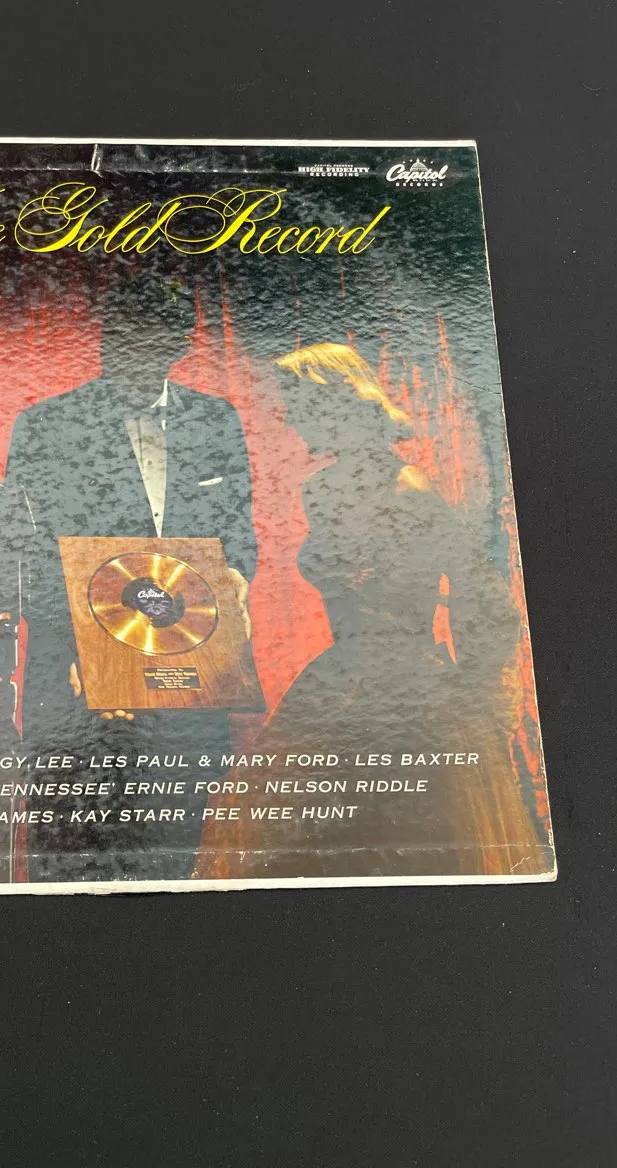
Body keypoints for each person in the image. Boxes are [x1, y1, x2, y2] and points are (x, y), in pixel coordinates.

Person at [243, 341, 551, 879]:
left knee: (414, 836)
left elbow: (482, 592)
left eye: (296, 404)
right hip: (340, 679)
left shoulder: (409, 489)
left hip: (411, 689)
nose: (288, 418)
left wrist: (478, 691)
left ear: (333, 406)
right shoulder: (320, 489)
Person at [0, 269, 258, 882]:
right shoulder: (47, 424)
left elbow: (238, 535)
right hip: (78, 683)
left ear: (177, 345)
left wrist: (235, 582)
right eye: (118, 336)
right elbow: (30, 553)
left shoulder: (216, 421)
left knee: (173, 854)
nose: (124, 351)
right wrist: (88, 653)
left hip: (188, 681)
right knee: (73, 856)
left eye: (146, 338)